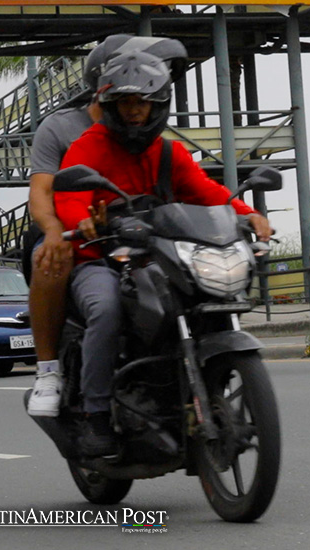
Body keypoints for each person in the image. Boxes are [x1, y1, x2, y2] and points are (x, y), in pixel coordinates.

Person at [55, 50, 272, 457]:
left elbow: (210, 194)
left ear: (158, 105)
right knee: (106, 309)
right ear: (110, 104)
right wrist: (84, 220)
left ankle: (196, 388)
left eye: (143, 103)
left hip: (156, 253)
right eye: (125, 103)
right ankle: (95, 414)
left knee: (202, 295)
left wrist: (248, 214)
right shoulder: (90, 147)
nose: (135, 112)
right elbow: (69, 198)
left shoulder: (169, 153)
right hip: (99, 257)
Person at [26, 34, 188, 417]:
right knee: (54, 256)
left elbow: (186, 188)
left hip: (140, 238)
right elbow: (43, 192)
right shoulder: (63, 129)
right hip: (73, 234)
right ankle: (48, 371)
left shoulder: (147, 129)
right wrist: (58, 227)